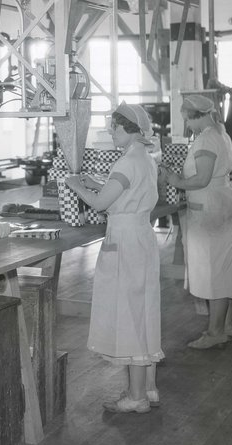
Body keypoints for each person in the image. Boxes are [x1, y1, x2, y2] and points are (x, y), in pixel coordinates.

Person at [65, 102, 163, 414]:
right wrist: (96, 182)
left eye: (115, 128)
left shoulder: (125, 164)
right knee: (144, 310)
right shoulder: (144, 158)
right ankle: (148, 386)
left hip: (125, 241)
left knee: (129, 314)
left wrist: (75, 185)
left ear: (131, 130)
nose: (111, 132)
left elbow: (101, 203)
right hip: (142, 237)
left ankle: (136, 398)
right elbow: (120, 191)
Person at [162, 94, 232, 349]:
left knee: (214, 271)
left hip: (211, 209)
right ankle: (227, 326)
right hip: (223, 204)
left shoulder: (207, 138)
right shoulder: (221, 133)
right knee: (227, 268)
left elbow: (201, 179)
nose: (187, 125)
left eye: (187, 118)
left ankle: (214, 332)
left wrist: (173, 180)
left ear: (196, 115)